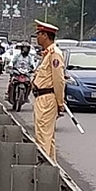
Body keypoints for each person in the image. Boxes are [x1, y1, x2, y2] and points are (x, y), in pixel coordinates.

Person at [32, 20, 65, 162]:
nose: (37, 37)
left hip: (47, 97)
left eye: (39, 34)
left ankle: (44, 168)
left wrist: (60, 102)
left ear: (45, 35)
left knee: (43, 136)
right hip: (42, 97)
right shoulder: (48, 53)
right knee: (47, 136)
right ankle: (51, 168)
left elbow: (59, 81)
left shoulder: (54, 54)